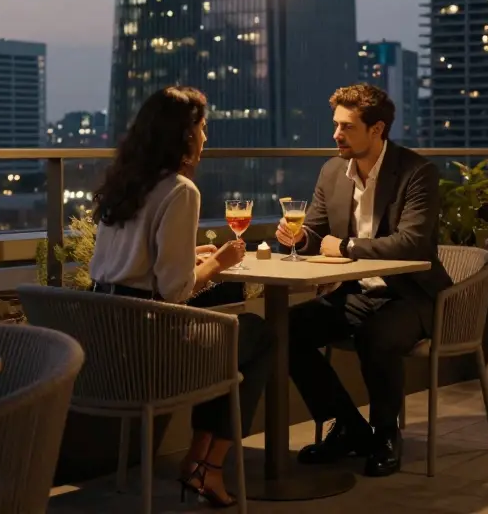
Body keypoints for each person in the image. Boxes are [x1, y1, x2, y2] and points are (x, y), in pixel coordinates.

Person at [89, 86, 272, 509]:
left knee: (225, 328)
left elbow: (128, 264)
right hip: (151, 348)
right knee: (258, 335)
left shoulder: (125, 185)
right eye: (203, 128)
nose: (206, 137)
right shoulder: (180, 190)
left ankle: (198, 458)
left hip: (107, 340)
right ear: (185, 135)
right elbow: (175, 292)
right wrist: (219, 262)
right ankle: (208, 466)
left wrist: (191, 256)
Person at [275, 83, 450, 477]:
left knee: (377, 335)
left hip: (410, 295)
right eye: (336, 124)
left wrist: (347, 247)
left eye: (347, 127)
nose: (336, 134)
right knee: (284, 329)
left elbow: (412, 243)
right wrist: (299, 238)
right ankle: (348, 427)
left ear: (377, 129)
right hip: (355, 292)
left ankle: (386, 434)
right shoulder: (332, 171)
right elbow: (317, 233)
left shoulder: (416, 172)